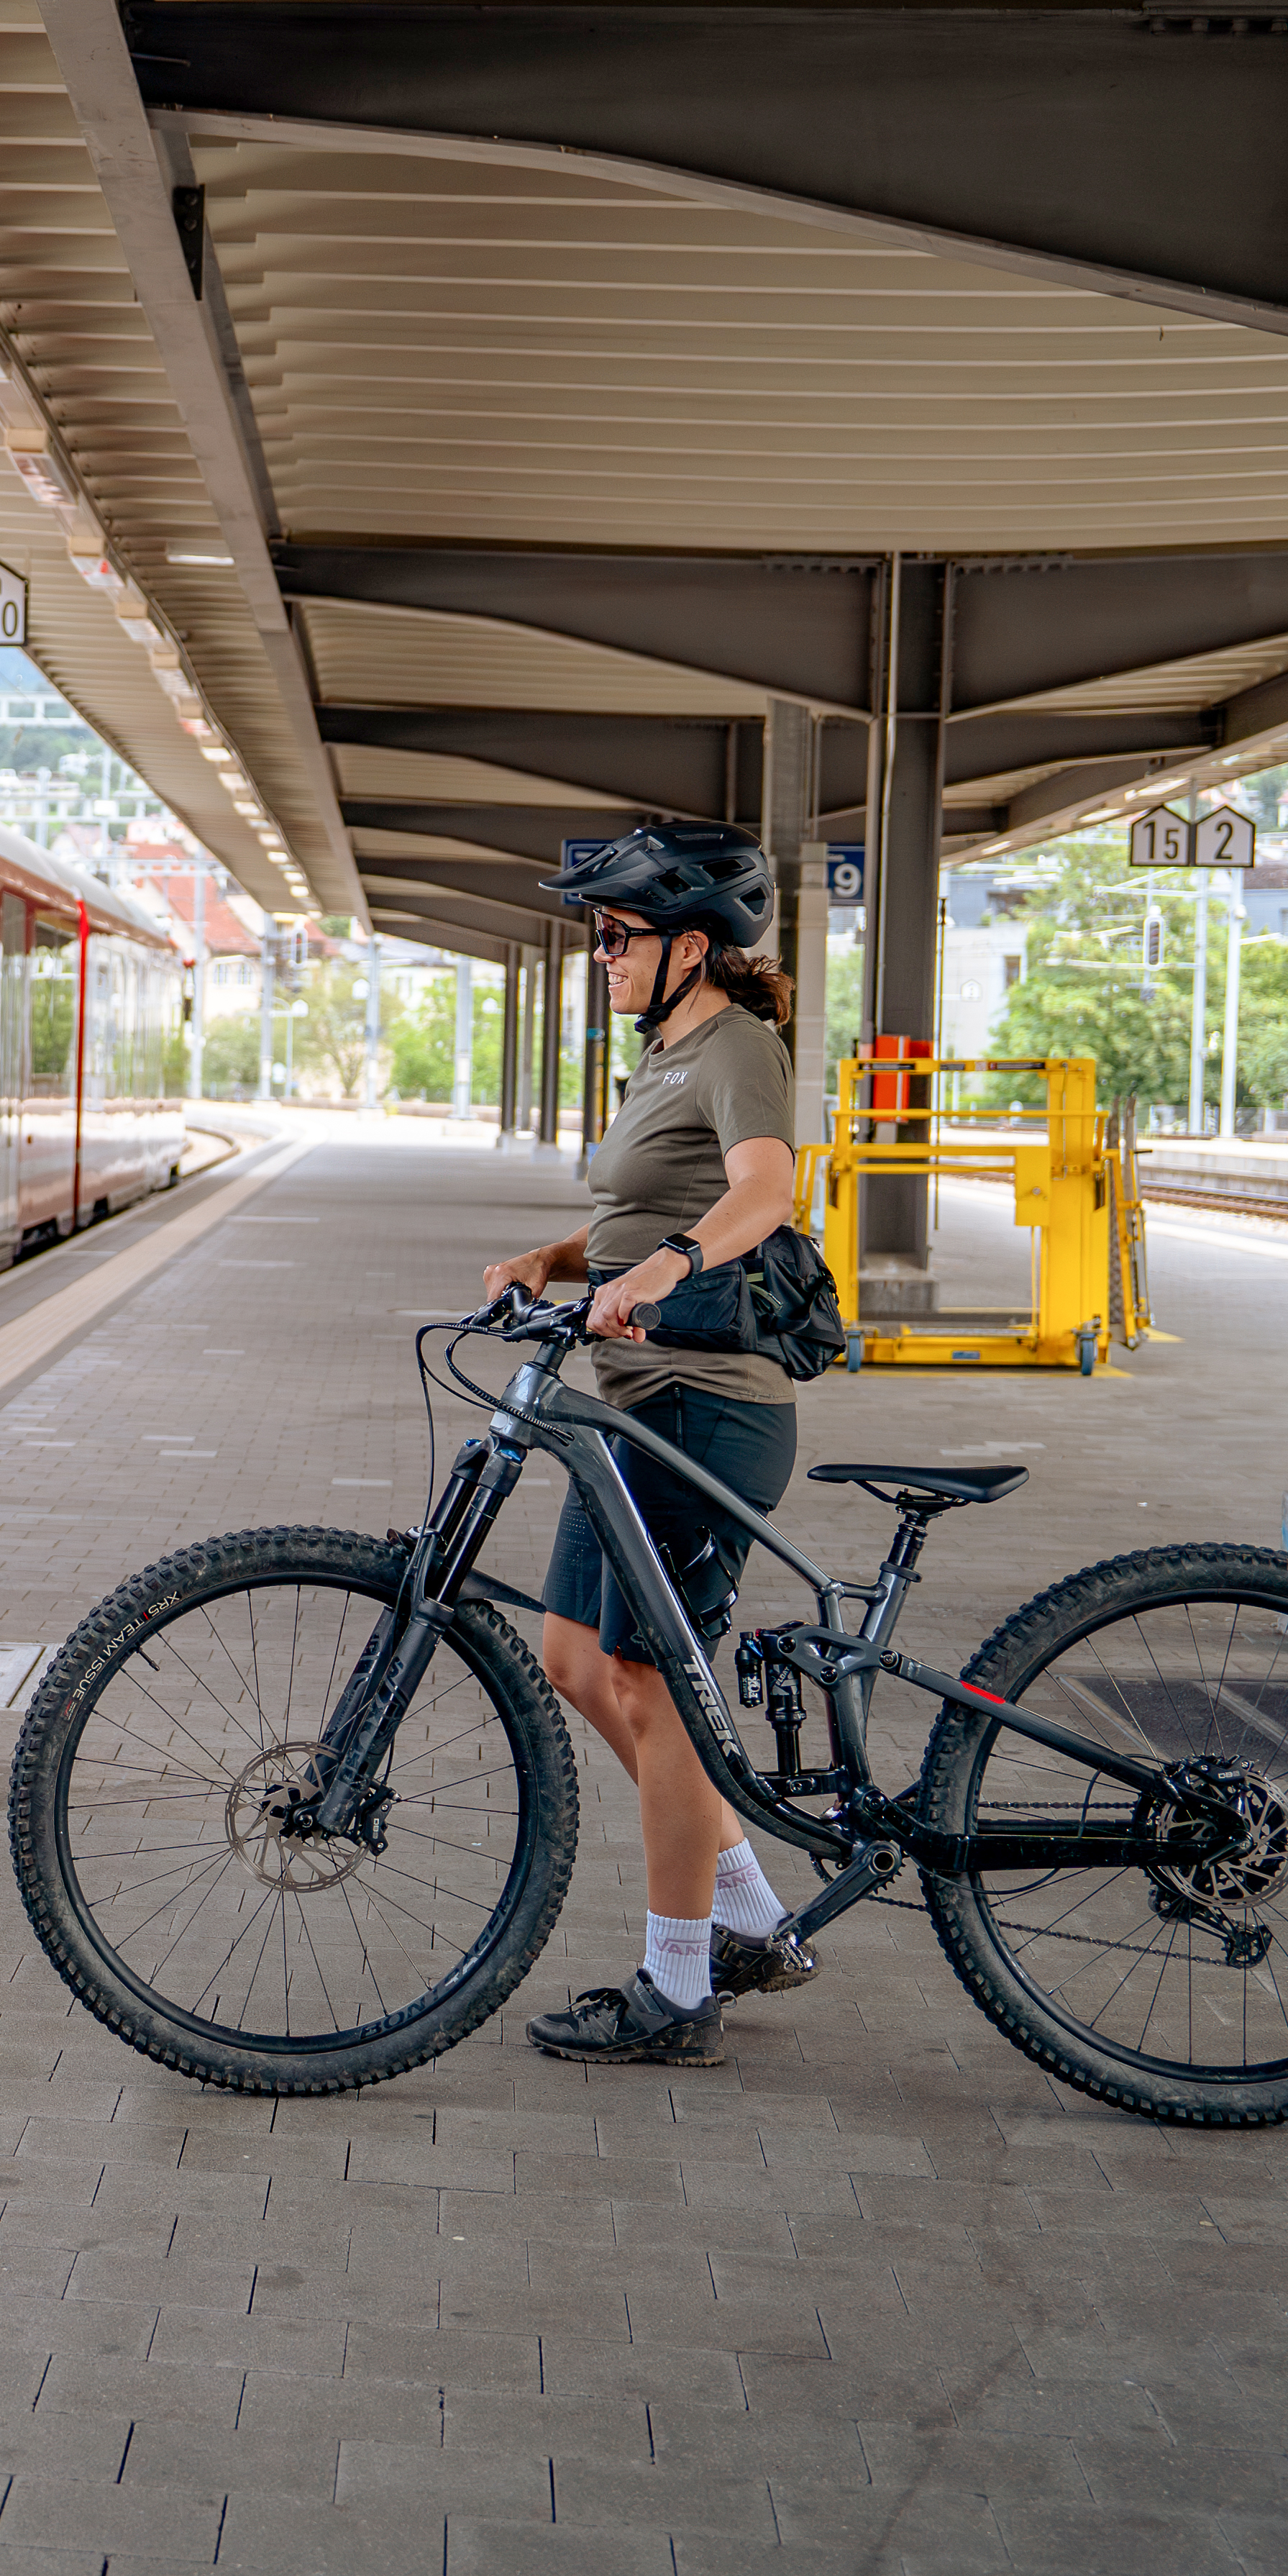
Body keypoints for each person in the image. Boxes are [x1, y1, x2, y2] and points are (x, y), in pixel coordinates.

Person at [484, 820, 818, 2067]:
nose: (603, 955)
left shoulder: (737, 1046)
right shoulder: (662, 1054)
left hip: (705, 1405)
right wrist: (557, 1258)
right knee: (577, 1659)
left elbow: (764, 1191)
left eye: (618, 935)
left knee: (655, 1689)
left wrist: (670, 1267)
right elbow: (643, 1211)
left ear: (691, 944)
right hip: (630, 1406)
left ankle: (679, 1986)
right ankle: (755, 1916)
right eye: (597, 936)